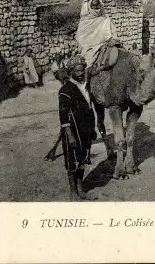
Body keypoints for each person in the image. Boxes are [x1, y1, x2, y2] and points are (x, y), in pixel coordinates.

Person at [57, 55, 98, 201]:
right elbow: (63, 115)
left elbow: (89, 108)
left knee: (82, 160)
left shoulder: (85, 87)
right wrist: (69, 134)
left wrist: (92, 130)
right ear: (71, 72)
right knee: (72, 161)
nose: (81, 73)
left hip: (85, 131)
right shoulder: (65, 90)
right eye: (78, 71)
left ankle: (81, 189)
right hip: (73, 132)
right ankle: (72, 192)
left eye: (82, 71)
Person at [75, 0, 120, 82]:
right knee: (86, 66)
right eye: (93, 6)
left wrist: (113, 40)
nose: (96, 8)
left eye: (98, 5)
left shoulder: (105, 19)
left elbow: (114, 34)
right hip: (90, 49)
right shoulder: (84, 22)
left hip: (106, 46)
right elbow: (82, 40)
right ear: (88, 7)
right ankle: (85, 85)